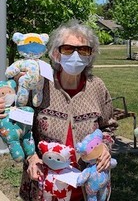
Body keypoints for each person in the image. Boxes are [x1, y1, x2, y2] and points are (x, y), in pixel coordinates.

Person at [0, 19, 117, 200]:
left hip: (89, 188)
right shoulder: (39, 84)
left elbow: (108, 127)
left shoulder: (97, 87)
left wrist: (106, 149)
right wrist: (31, 158)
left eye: (84, 50)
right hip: (44, 185)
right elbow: (21, 126)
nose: (76, 55)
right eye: (68, 49)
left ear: (90, 55)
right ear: (55, 54)